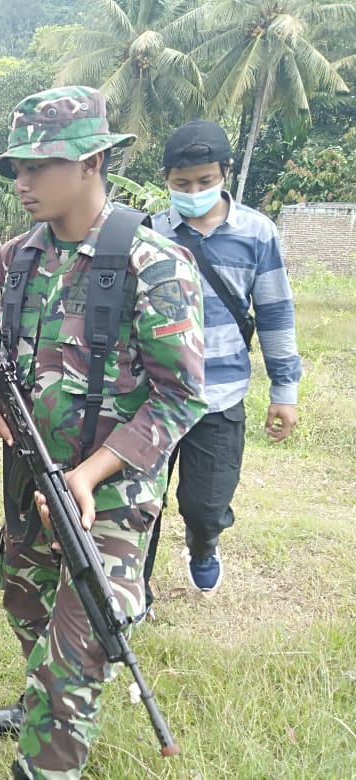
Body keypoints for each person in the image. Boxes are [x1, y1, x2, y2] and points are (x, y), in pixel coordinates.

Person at [0, 86, 208, 779]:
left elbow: (182, 395)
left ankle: (50, 750)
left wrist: (90, 474)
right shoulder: (15, 260)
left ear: (93, 161)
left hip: (113, 489)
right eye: (16, 168)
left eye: (40, 166)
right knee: (22, 596)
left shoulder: (151, 264)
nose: (23, 182)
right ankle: (47, 694)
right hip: (30, 472)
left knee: (81, 640)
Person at [142, 120, 302, 604]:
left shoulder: (257, 233)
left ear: (225, 173)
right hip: (151, 395)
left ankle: (204, 545)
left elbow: (275, 314)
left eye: (205, 182)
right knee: (140, 504)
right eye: (181, 184)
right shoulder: (149, 231)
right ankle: (133, 589)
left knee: (206, 506)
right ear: (167, 180)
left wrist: (284, 393)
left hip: (221, 397)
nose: (193, 193)